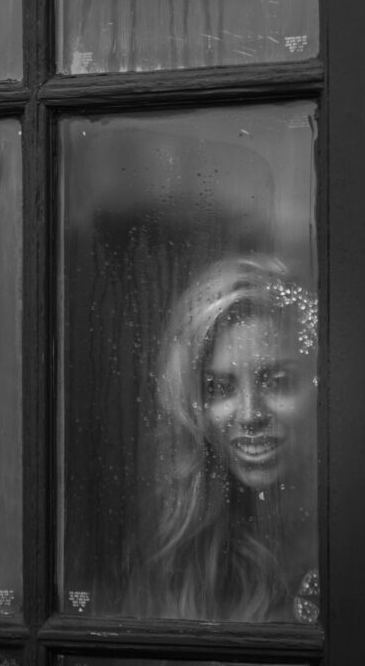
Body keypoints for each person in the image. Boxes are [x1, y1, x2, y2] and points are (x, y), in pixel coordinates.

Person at [148, 255, 319, 623]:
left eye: (277, 382)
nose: (250, 415)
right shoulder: (181, 553)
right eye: (219, 388)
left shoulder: (358, 532)